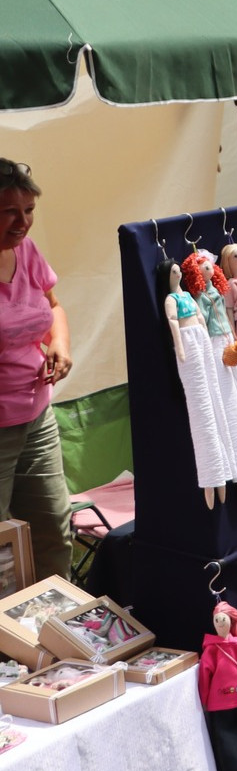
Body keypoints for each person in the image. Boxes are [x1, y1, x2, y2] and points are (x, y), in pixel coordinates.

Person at [0, 160, 72, 582]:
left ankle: (62, 627)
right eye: (10, 211)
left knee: (53, 527)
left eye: (29, 210)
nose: (23, 222)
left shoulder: (26, 251)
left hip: (36, 415)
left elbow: (54, 306)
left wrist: (59, 345)